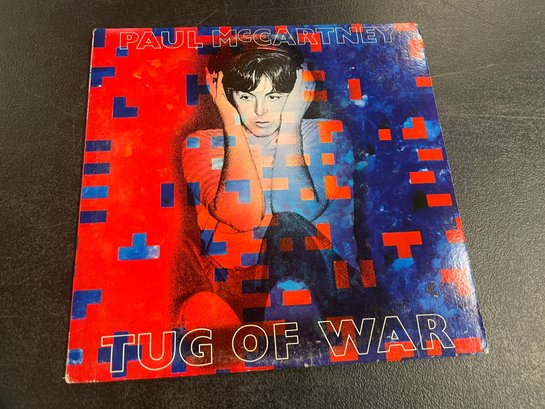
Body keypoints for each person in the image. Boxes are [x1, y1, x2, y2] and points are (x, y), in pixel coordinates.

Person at [178, 37, 359, 330]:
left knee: (287, 226)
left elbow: (295, 210)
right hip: (234, 286)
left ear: (298, 91)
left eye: (274, 97)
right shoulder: (202, 143)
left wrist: (291, 123)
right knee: (180, 254)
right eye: (247, 97)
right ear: (225, 94)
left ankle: (294, 324)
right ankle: (231, 331)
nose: (261, 111)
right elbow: (243, 215)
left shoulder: (327, 133)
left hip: (319, 278)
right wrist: (231, 123)